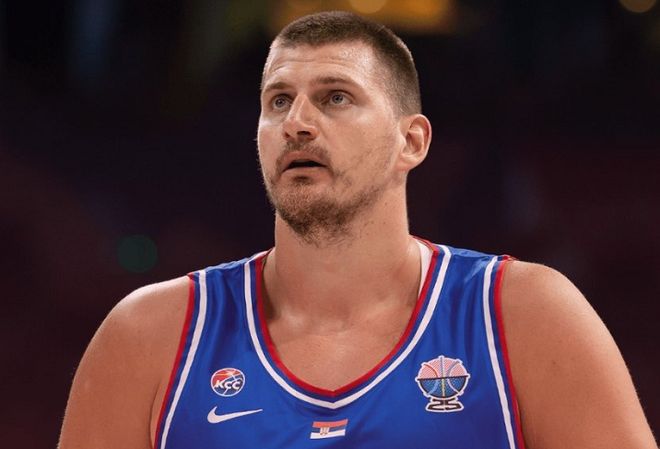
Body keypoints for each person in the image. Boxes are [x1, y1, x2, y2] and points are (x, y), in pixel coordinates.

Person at [58, 11, 656, 449]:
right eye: (278, 101)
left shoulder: (524, 316)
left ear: (411, 140)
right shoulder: (150, 337)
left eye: (336, 98)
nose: (297, 123)